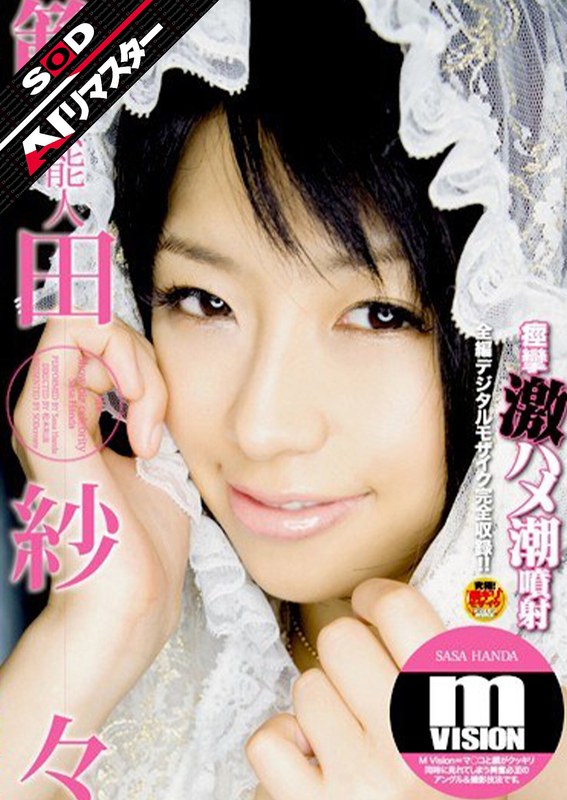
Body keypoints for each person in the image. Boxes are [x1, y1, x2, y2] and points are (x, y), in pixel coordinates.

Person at [1, 1, 566, 798]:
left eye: (378, 315)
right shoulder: (161, 668)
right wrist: (99, 626)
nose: (261, 426)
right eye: (203, 302)